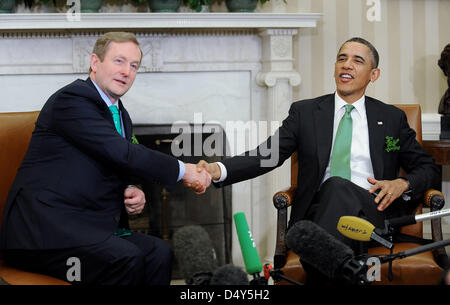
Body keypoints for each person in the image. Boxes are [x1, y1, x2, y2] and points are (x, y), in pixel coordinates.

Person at [193, 37, 440, 280]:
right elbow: (267, 154)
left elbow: (427, 167)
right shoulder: (306, 112)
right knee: (333, 188)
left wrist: (403, 183)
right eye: (341, 58)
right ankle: (341, 272)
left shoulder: (390, 117)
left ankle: (318, 272)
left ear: (373, 74)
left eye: (357, 60)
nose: (346, 65)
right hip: (316, 212)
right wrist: (218, 169)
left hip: (372, 213)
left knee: (336, 186)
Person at [0, 32, 210, 285]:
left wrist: (131, 188)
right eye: (119, 61)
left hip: (87, 228)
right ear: (95, 63)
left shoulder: (120, 114)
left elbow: (113, 162)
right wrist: (183, 170)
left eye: (134, 66)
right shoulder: (73, 100)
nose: (127, 71)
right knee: (125, 258)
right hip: (41, 235)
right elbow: (121, 152)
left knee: (159, 253)